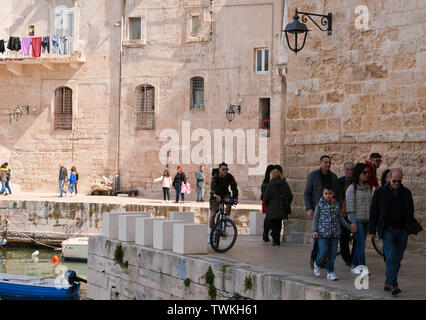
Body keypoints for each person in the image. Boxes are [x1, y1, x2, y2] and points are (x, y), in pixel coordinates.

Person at [369, 168, 418, 295]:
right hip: (387, 230)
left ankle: (387, 281)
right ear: (389, 179)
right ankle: (394, 284)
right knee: (390, 257)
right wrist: (372, 230)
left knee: (397, 258)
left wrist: (409, 227)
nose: (396, 183)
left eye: (399, 181)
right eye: (394, 181)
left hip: (402, 230)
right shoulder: (380, 193)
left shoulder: (406, 192)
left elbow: (410, 211)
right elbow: (374, 212)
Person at [304, 155, 342, 269]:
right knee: (319, 237)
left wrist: (338, 207)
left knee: (329, 238)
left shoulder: (333, 177)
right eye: (325, 162)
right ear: (321, 163)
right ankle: (314, 258)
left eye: (329, 162)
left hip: (330, 211)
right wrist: (309, 208)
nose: (328, 164)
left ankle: (323, 260)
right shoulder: (313, 176)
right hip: (318, 210)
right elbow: (307, 193)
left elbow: (338, 194)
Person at [313, 186, 354, 281]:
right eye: (326, 193)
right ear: (323, 194)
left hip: (335, 234)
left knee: (332, 254)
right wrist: (315, 230)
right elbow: (315, 219)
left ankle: (330, 272)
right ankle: (317, 263)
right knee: (323, 251)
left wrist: (349, 227)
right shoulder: (320, 204)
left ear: (333, 194)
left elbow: (341, 219)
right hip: (323, 233)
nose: (328, 195)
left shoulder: (336, 205)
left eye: (330, 193)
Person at [346, 163, 371, 274]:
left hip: (366, 220)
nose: (366, 175)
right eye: (364, 173)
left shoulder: (368, 187)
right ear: (359, 174)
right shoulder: (352, 188)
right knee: (361, 244)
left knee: (359, 243)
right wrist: (353, 222)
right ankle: (362, 268)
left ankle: (355, 265)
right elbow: (350, 207)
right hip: (357, 220)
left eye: (368, 173)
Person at [209, 162, 238, 242]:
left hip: (225, 194)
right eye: (224, 169)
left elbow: (234, 187)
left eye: (227, 169)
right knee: (213, 214)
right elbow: (212, 188)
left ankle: (226, 219)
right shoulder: (215, 177)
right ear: (219, 170)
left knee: (229, 201)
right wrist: (215, 195)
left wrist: (235, 198)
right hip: (215, 196)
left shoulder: (229, 177)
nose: (226, 171)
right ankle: (210, 233)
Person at [263, 168, 293, 246]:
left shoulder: (270, 185)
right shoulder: (284, 184)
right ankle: (277, 240)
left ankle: (275, 240)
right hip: (282, 208)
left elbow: (266, 197)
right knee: (279, 224)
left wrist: (267, 205)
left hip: (272, 208)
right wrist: (287, 203)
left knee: (273, 224)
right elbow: (290, 196)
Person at [337, 161, 355, 266]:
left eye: (351, 170)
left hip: (354, 213)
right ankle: (347, 259)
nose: (349, 172)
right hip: (342, 214)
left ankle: (353, 257)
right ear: (344, 170)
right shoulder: (339, 182)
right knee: (344, 238)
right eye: (347, 169)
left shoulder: (357, 183)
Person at [261, 165, 275, 242]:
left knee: (270, 217)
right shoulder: (266, 182)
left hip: (271, 202)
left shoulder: (267, 181)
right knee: (268, 217)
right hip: (267, 201)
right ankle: (266, 233)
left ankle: (269, 233)